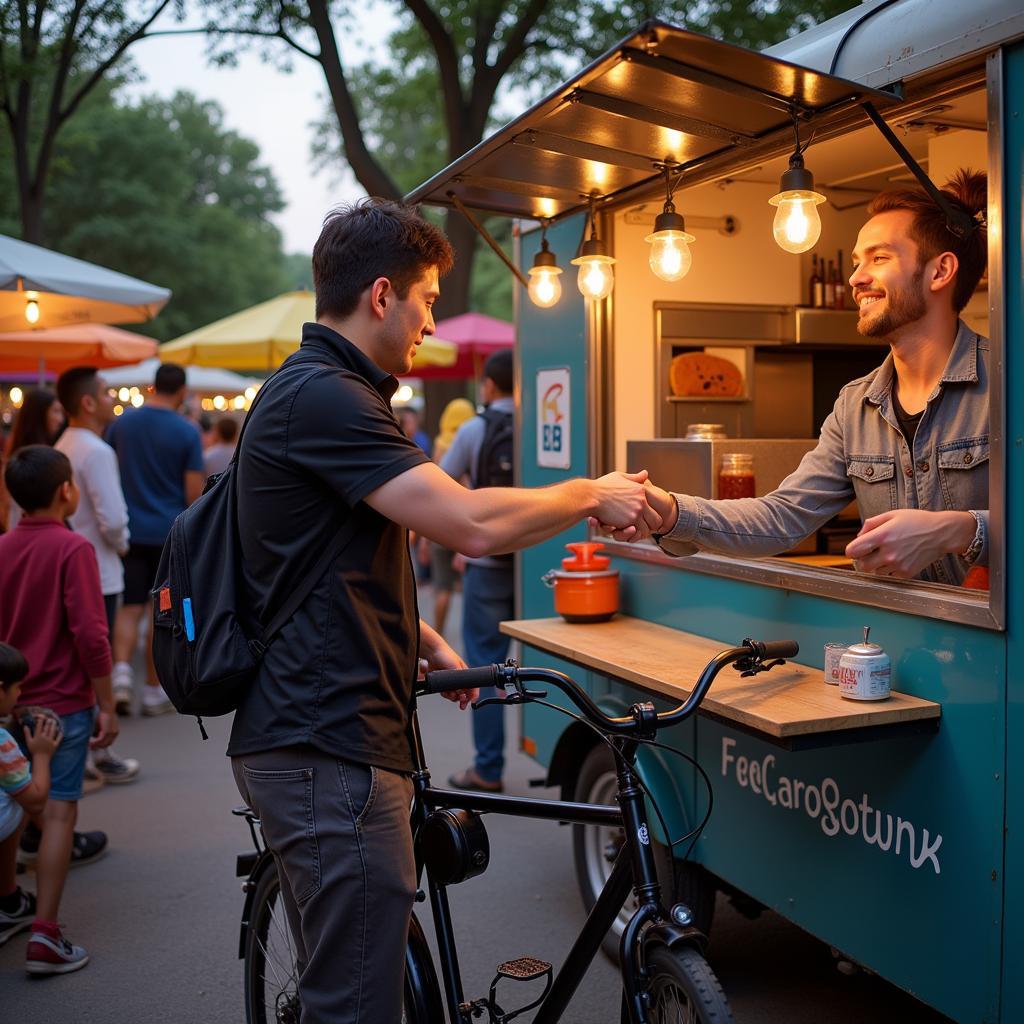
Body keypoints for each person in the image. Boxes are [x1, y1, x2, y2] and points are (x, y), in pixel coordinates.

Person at [229, 197, 657, 1023]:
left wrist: (415, 633)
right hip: (325, 743)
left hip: (335, 727)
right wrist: (589, 493)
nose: (434, 317)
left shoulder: (328, 391)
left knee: (371, 972)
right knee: (355, 1005)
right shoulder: (324, 396)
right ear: (383, 295)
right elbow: (468, 521)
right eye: (428, 296)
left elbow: (319, 561)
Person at [621, 170, 989, 588]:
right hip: (895, 640)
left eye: (879, 258)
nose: (856, 278)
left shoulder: (1006, 387)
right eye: (856, 263)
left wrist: (958, 530)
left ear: (940, 271)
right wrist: (670, 510)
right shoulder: (855, 406)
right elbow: (783, 516)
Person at [0, 446, 118, 975]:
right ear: (66, 491)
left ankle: (9, 902)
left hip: (9, 701)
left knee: (12, 805)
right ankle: (46, 933)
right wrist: (107, 703)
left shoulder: (2, 547)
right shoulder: (73, 549)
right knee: (58, 815)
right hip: (63, 704)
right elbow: (91, 636)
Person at [54, 367, 139, 785]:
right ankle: (96, 749)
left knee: (75, 662)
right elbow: (113, 518)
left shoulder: (64, 444)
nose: (112, 399)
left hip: (71, 562)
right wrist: (122, 542)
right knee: (94, 659)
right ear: (88, 402)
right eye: (106, 393)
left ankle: (83, 750)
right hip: (99, 569)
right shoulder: (96, 450)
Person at [106, 363, 205, 716]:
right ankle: (151, 690)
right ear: (181, 391)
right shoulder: (187, 430)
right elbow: (194, 491)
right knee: (160, 612)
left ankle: (120, 673)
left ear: (152, 387)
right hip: (168, 534)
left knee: (129, 607)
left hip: (130, 530)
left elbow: (111, 468)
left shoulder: (122, 424)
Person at [440, 350, 516, 792]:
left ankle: (488, 768)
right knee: (545, 663)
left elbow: (445, 488)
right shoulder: (542, 427)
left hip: (486, 564)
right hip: (534, 566)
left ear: (488, 385)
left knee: (486, 667)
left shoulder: (474, 429)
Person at [0, 643, 61, 950]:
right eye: (17, 687)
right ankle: (7, 900)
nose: (20, 694)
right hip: (4, 825)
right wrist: (41, 755)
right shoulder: (3, 745)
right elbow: (36, 800)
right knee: (17, 801)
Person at [420, 396, 476, 636]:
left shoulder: (440, 445)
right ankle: (467, 634)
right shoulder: (471, 442)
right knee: (470, 589)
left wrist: (423, 537)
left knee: (442, 587)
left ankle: (438, 635)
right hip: (464, 525)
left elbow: (431, 490)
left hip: (439, 526)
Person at [0, 387, 65, 531]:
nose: (60, 419)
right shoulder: (33, 458)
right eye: (55, 411)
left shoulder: (15, 453)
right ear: (39, 414)